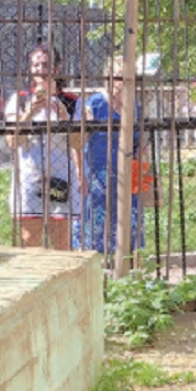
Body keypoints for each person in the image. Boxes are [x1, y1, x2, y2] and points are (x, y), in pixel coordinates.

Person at [4, 44, 82, 250]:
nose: (40, 69)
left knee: (61, 243)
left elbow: (78, 143)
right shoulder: (19, 100)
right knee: (29, 239)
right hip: (30, 176)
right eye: (35, 64)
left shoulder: (72, 102)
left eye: (45, 64)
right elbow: (12, 141)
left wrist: (66, 118)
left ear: (56, 69)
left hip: (61, 176)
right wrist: (28, 114)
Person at [73, 54, 153, 254]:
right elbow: (77, 144)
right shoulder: (95, 104)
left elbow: (142, 143)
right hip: (97, 178)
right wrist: (79, 172)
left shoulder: (135, 106)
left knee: (129, 233)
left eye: (128, 77)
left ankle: (127, 273)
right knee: (96, 232)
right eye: (118, 77)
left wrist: (144, 166)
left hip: (127, 179)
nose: (122, 83)